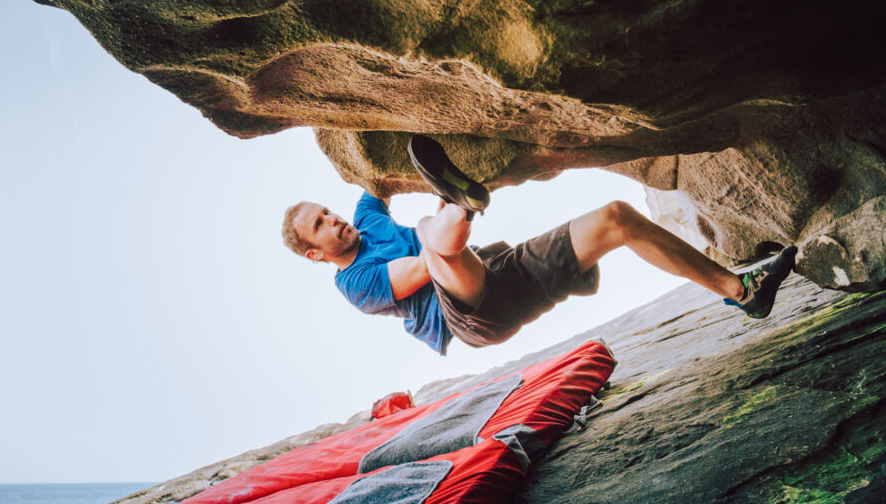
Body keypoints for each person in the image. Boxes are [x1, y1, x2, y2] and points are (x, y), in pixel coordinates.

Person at [282, 135, 796, 355]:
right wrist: (441, 215)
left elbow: (375, 176)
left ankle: (743, 292)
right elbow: (419, 269)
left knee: (616, 218)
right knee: (437, 249)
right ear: (313, 253)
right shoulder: (354, 283)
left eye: (327, 211)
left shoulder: (366, 219)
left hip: (501, 270)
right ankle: (460, 204)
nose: (333, 220)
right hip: (470, 316)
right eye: (320, 225)